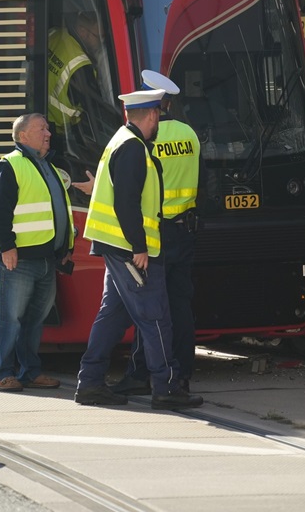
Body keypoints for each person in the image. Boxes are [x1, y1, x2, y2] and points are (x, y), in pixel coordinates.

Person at [74, 88, 203, 410]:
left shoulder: (122, 139)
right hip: (129, 248)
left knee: (113, 316)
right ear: (152, 115)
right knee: (156, 317)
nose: (159, 118)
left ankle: (89, 383)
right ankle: (166, 388)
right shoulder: (133, 148)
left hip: (115, 245)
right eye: (158, 114)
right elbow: (126, 202)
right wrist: (139, 247)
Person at [111, 70, 201, 395]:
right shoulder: (190, 134)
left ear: (151, 103)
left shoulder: (145, 136)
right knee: (180, 305)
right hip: (185, 231)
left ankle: (141, 375)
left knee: (149, 309)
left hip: (155, 234)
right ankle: (182, 374)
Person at [0, 113, 74, 392]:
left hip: (47, 258)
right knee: (10, 318)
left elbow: (58, 210)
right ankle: (3, 373)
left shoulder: (46, 165)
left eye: (47, 128)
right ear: (23, 136)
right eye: (41, 129)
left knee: (34, 320)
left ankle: (29, 371)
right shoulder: (9, 166)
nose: (48, 133)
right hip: (19, 259)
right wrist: (7, 247)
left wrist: (65, 248)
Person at [46, 12, 119, 173]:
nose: (100, 43)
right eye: (97, 37)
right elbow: (94, 108)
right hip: (61, 132)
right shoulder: (81, 66)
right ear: (82, 31)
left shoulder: (56, 34)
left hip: (41, 116)